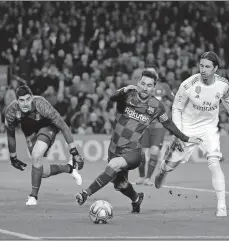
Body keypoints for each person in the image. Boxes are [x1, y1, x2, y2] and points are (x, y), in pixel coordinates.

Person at [75, 69, 202, 213]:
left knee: (113, 165)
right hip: (114, 149)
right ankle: (136, 199)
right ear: (138, 82)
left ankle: (85, 194)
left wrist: (186, 138)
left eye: (149, 85)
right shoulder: (127, 95)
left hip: (133, 151)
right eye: (143, 83)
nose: (145, 87)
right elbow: (112, 99)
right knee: (120, 185)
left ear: (153, 87)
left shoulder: (156, 106)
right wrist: (122, 90)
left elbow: (168, 124)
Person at [154, 52, 229, 217]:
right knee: (171, 165)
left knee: (214, 162)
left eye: (207, 66)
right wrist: (178, 134)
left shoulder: (223, 84)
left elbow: (227, 100)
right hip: (187, 128)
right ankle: (163, 170)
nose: (203, 69)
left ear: (215, 68)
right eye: (201, 65)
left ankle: (222, 206)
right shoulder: (188, 85)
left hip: (209, 129)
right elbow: (177, 108)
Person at [4, 85, 84, 206]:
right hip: (31, 135)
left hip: (48, 128)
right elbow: (10, 135)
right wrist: (13, 157)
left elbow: (63, 126)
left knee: (36, 155)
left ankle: (33, 196)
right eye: (21, 100)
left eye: (28, 99)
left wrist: (74, 151)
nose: (25, 103)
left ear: (32, 98)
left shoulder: (41, 104)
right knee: (44, 172)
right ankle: (69, 168)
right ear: (17, 101)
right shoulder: (11, 112)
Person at [137, 67, 175, 186]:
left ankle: (148, 178)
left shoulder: (164, 87)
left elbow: (175, 100)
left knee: (155, 150)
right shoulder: (140, 87)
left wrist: (167, 110)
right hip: (144, 123)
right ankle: (141, 176)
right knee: (141, 152)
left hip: (158, 125)